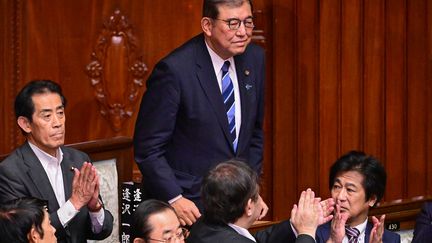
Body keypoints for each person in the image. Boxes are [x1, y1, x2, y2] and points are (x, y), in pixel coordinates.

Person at [133, 0, 265, 226]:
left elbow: (254, 133)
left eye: (248, 22)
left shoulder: (254, 58)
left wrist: (250, 190)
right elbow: (148, 148)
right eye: (233, 23)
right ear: (207, 25)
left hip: (237, 204)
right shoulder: (175, 71)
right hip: (189, 205)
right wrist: (175, 198)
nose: (243, 32)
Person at [0, 80, 113, 243]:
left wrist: (94, 208)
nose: (58, 123)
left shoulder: (79, 160)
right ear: (25, 124)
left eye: (60, 113)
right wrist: (74, 204)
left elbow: (99, 231)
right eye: (47, 116)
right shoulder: (11, 172)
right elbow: (22, 237)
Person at [186, 160, 335, 243]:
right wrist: (307, 232)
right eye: (258, 195)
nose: (262, 201)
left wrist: (296, 224)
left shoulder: (203, 225)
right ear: (249, 207)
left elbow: (255, 240)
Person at [316, 151, 400, 243]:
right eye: (337, 187)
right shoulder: (315, 233)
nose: (340, 197)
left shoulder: (389, 239)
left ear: (372, 199)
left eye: (350, 189)